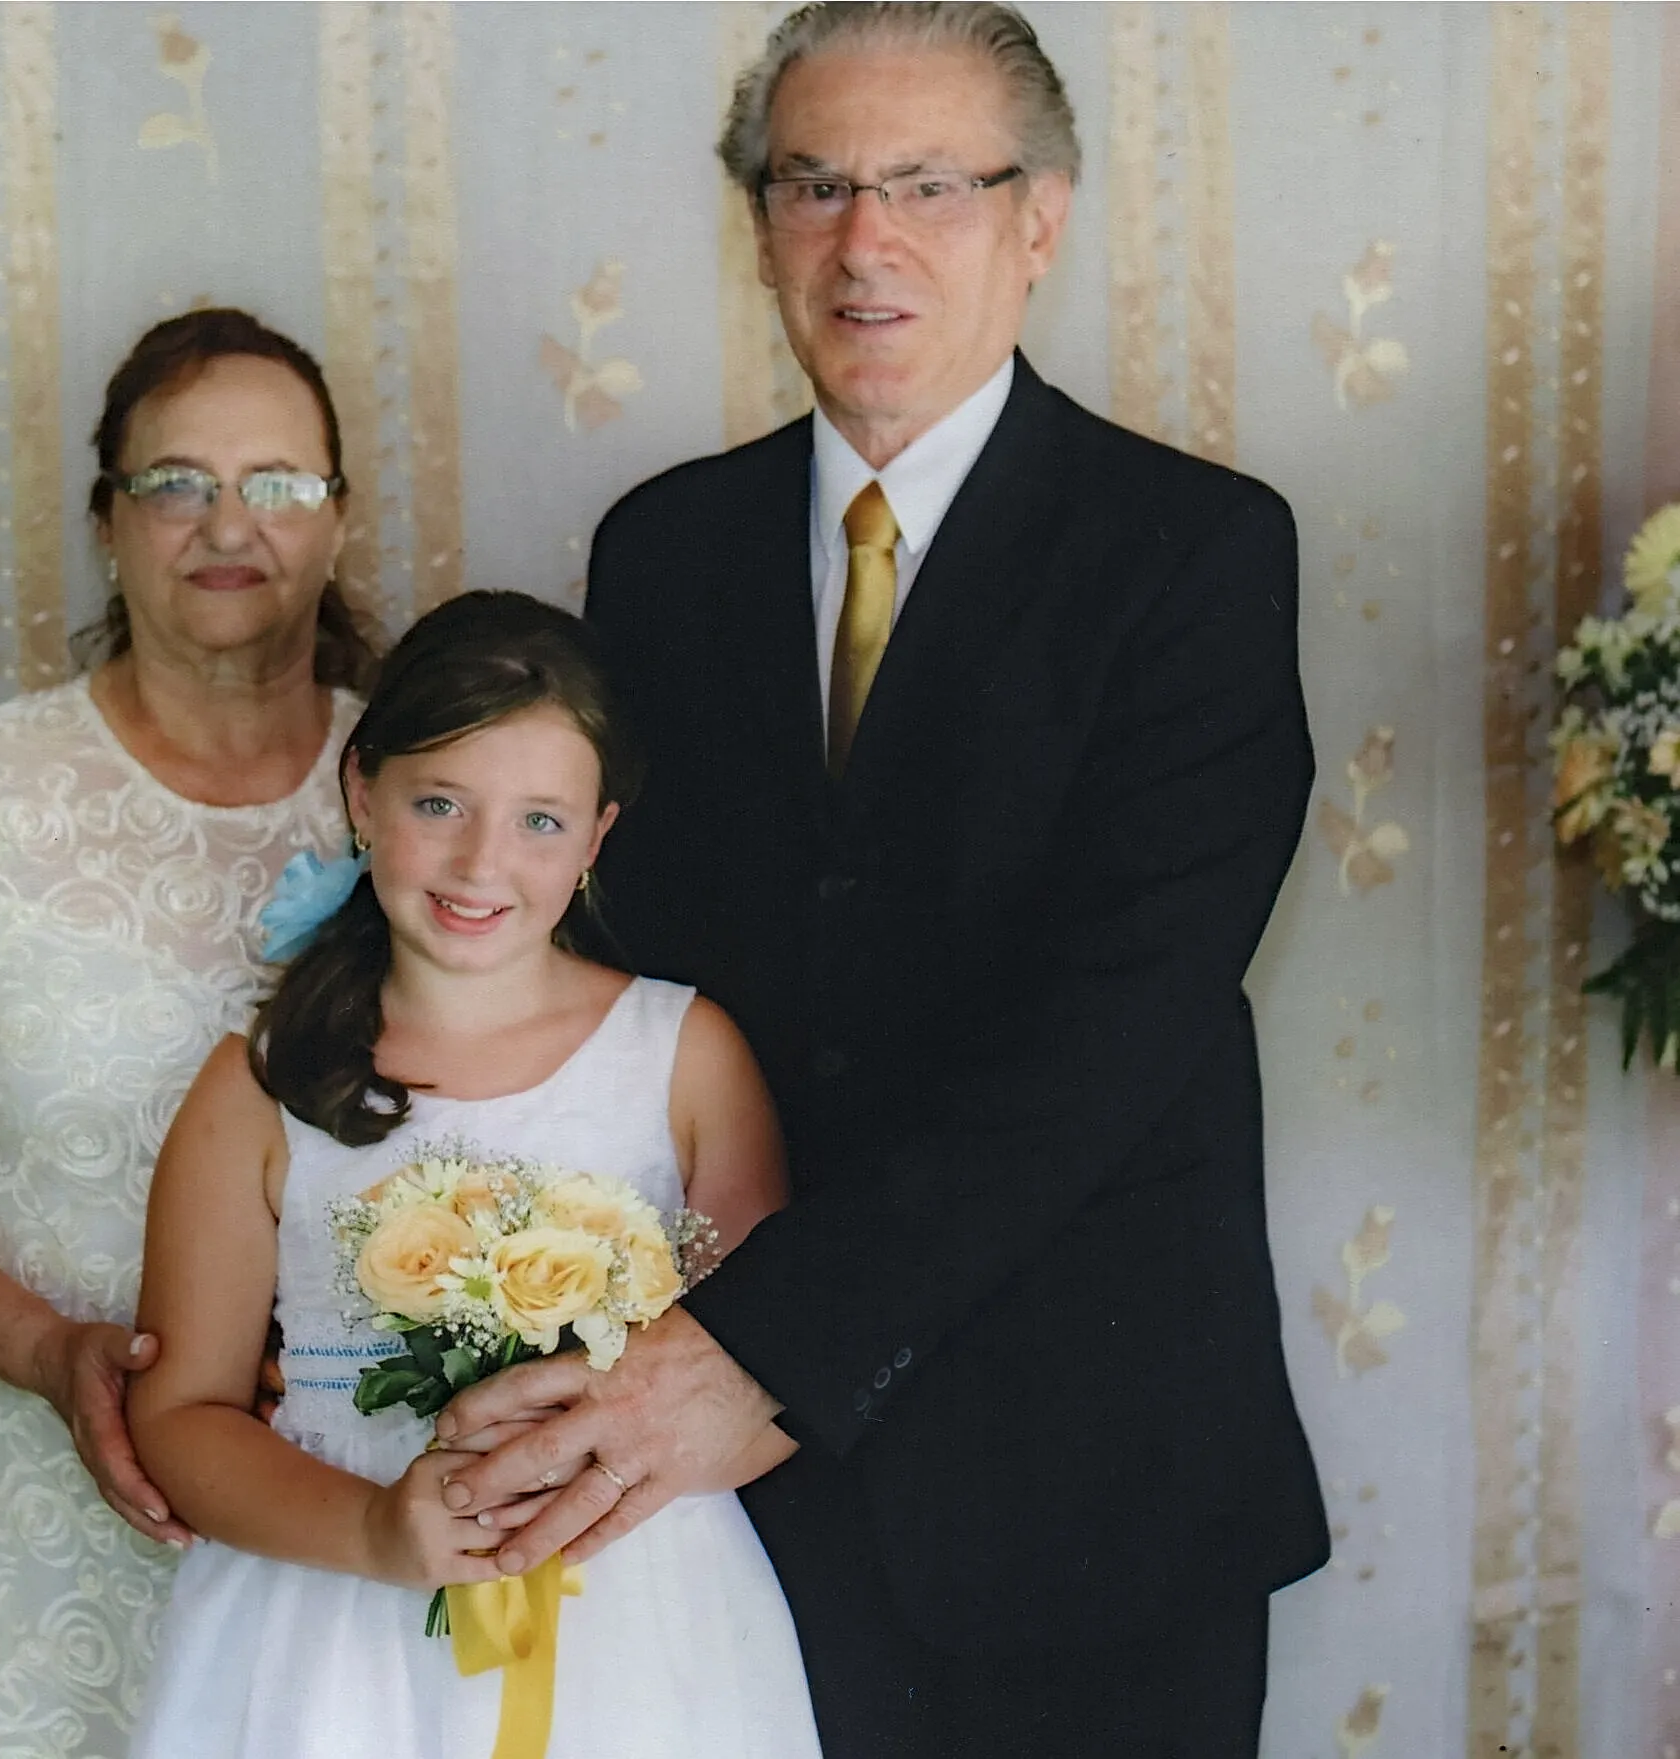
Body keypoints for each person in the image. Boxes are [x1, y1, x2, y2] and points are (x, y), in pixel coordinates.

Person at [435, 6, 1330, 1754]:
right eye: (816, 184)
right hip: (730, 1511)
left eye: (929, 182)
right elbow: (602, 977)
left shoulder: (1199, 553)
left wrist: (764, 1350)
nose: (867, 240)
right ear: (760, 224)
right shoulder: (660, 550)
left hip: (1086, 1494)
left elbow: (1115, 1030)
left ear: (1040, 218)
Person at [0, 307, 374, 1758]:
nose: (228, 521)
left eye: (277, 482)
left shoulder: (425, 794)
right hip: (34, 1516)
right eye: (176, 482)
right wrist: (52, 1353)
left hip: (339, 1509)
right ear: (108, 522)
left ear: (340, 521)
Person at [124, 591, 822, 1758]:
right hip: (334, 1614)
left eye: (539, 822)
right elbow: (182, 1414)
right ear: (362, 793)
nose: (480, 861)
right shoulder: (262, 1081)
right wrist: (376, 1532)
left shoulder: (685, 1056)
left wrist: (586, 1467)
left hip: (635, 1615)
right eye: (437, 802)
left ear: (598, 835)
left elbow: (773, 1376)